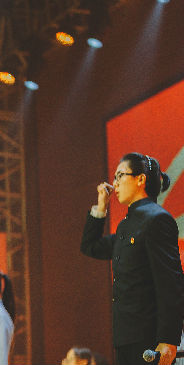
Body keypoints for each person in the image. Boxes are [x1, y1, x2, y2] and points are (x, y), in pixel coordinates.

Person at [81, 152, 184, 365]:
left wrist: (168, 339)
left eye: (120, 175)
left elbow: (170, 283)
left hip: (150, 338)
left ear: (140, 179)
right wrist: (101, 207)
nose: (114, 183)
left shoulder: (157, 219)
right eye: (114, 177)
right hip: (125, 337)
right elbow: (90, 247)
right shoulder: (126, 226)